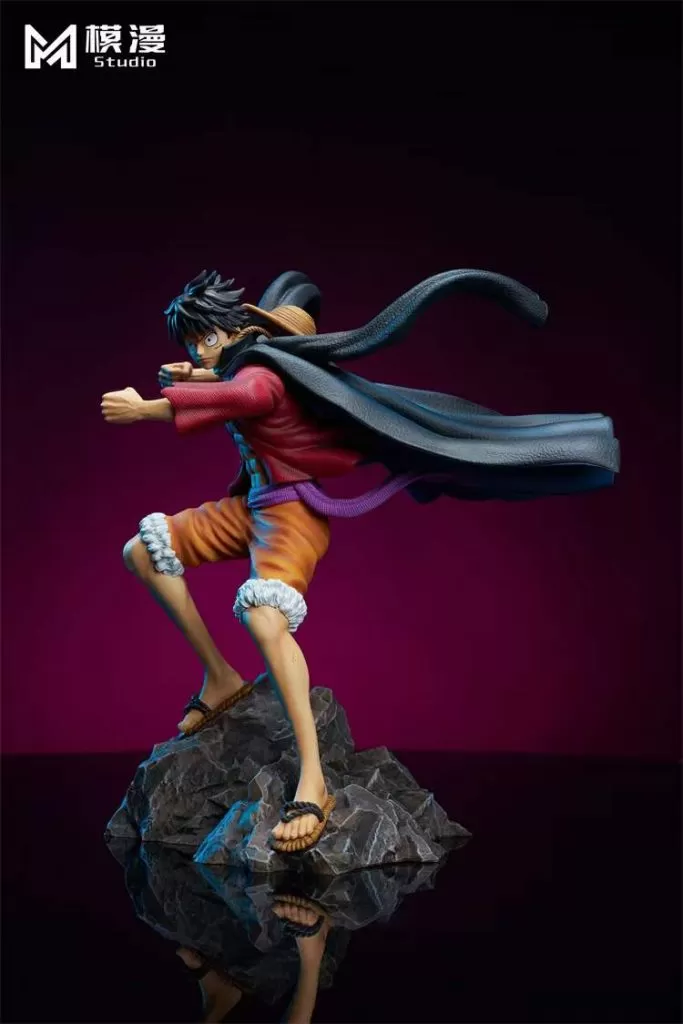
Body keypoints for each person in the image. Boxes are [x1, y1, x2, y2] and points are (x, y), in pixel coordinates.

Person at [101, 267, 620, 853]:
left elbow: (247, 395)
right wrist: (195, 372)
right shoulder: (240, 364)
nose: (200, 351)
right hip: (249, 508)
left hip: (291, 517)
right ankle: (221, 677)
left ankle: (314, 782)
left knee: (264, 619)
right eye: (193, 341)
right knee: (143, 552)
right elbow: (224, 379)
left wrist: (151, 408)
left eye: (208, 338)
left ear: (242, 331)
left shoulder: (263, 375)